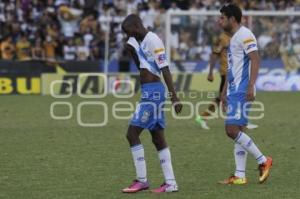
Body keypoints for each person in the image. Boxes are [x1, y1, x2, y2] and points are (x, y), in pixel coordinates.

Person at [121, 14, 182, 193]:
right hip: (149, 91)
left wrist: (174, 96)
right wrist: (132, 51)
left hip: (153, 94)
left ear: (136, 25)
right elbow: (142, 66)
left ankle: (142, 180)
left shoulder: (153, 40)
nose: (127, 35)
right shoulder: (140, 42)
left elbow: (165, 68)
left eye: (128, 31)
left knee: (132, 134)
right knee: (157, 138)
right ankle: (171, 183)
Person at [217, 4, 272, 185]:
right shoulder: (233, 39)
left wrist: (250, 86)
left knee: (231, 130)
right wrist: (224, 91)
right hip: (233, 90)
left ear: (232, 18)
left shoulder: (246, 34)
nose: (220, 21)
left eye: (223, 17)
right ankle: (240, 175)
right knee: (238, 130)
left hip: (242, 90)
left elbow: (256, 60)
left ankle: (263, 161)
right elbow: (232, 68)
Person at [195, 30, 258, 130]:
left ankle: (241, 119)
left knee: (231, 96)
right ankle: (204, 117)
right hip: (227, 72)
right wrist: (210, 72)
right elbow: (215, 53)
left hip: (236, 73)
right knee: (224, 96)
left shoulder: (238, 36)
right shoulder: (222, 38)